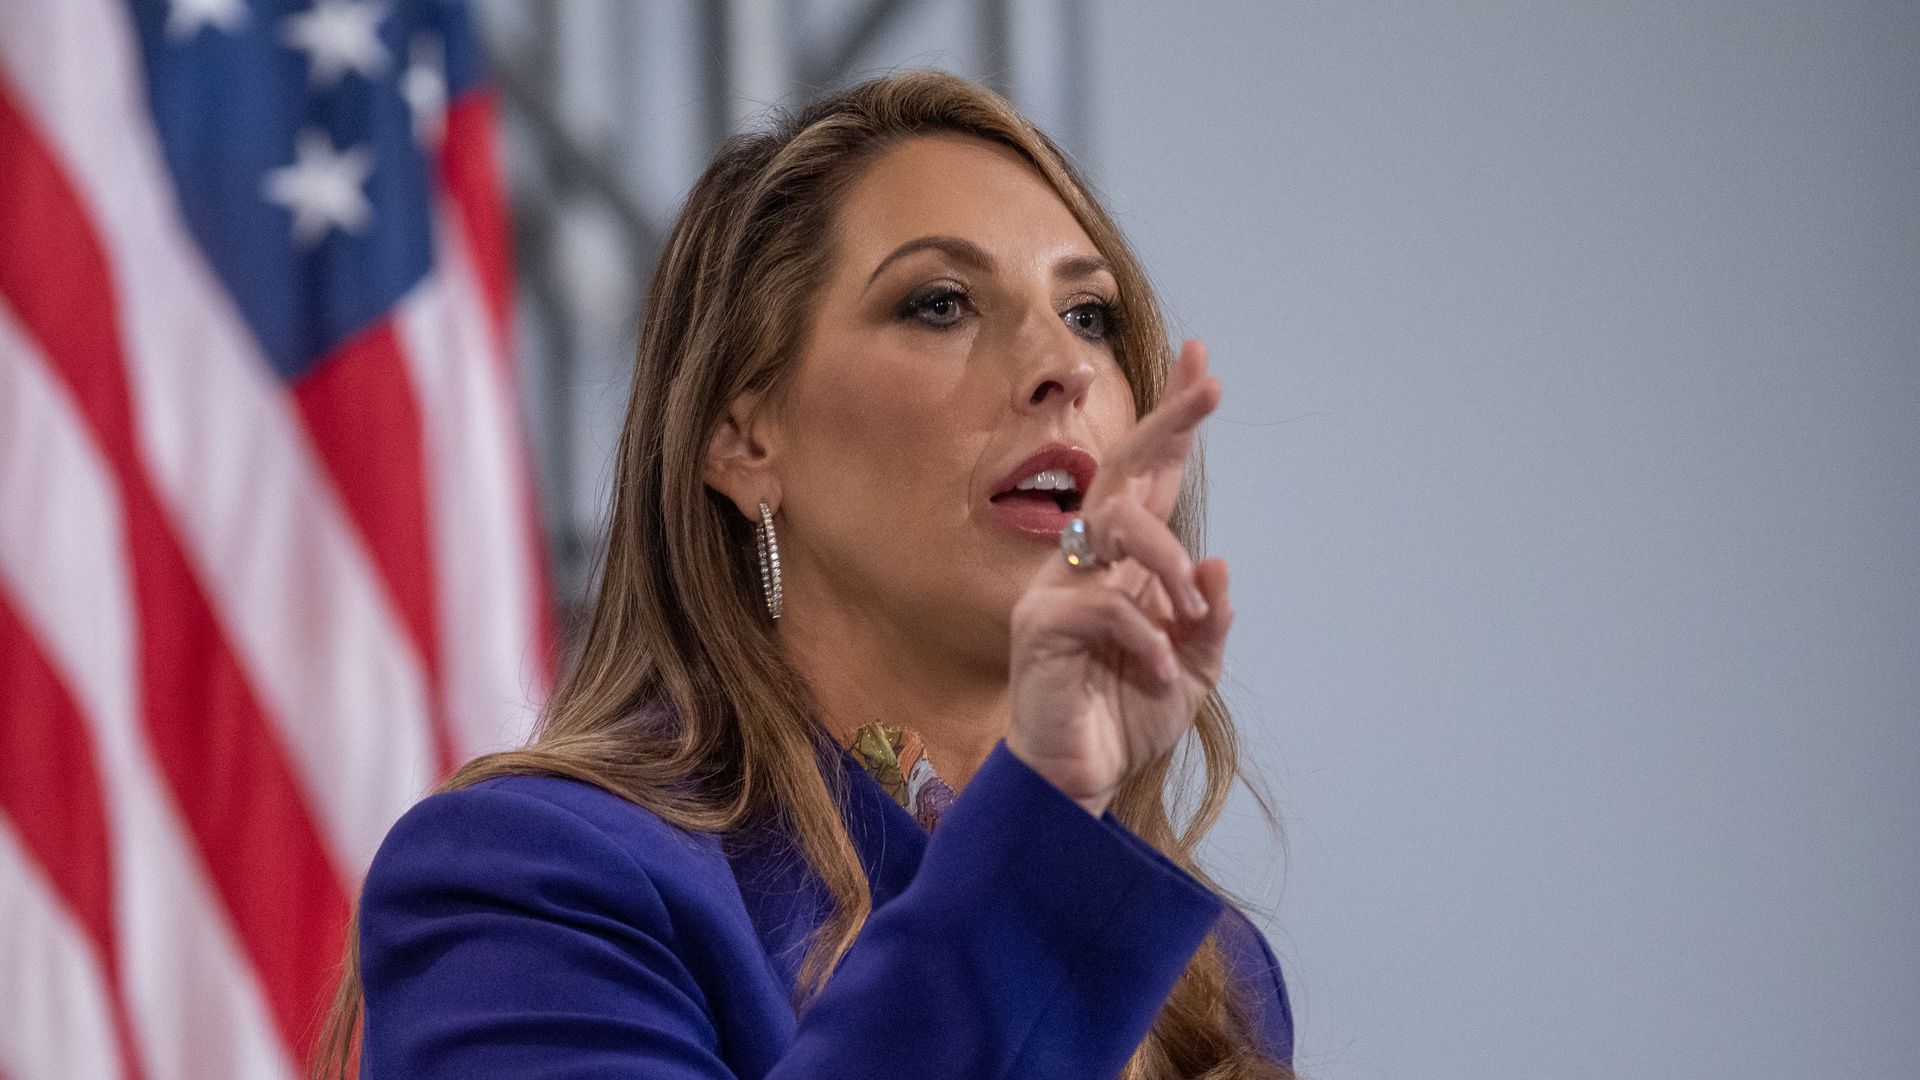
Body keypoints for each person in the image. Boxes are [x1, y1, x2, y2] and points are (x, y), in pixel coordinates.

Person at [315, 69, 1295, 1080]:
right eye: (941, 304)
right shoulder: (533, 881)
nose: (1067, 366)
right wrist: (1043, 814)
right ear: (744, 439)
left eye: (1089, 315)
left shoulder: (1206, 982)